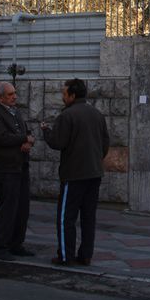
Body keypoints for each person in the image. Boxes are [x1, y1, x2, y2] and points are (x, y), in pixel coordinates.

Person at [41, 78, 110, 266]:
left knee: (66, 218)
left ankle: (65, 255)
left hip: (73, 174)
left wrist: (46, 131)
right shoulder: (97, 114)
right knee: (89, 217)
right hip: (94, 173)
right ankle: (86, 255)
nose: (62, 97)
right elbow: (105, 144)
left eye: (64, 94)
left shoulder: (67, 115)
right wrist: (95, 160)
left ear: (72, 95)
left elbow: (58, 142)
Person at [0, 81, 35, 260]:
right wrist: (23, 139)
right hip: (6, 168)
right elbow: (1, 138)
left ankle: (16, 244)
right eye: (10, 94)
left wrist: (28, 141)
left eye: (14, 93)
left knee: (22, 208)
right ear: (0, 97)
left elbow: (27, 132)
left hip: (21, 166)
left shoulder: (16, 113)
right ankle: (1, 246)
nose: (15, 96)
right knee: (8, 208)